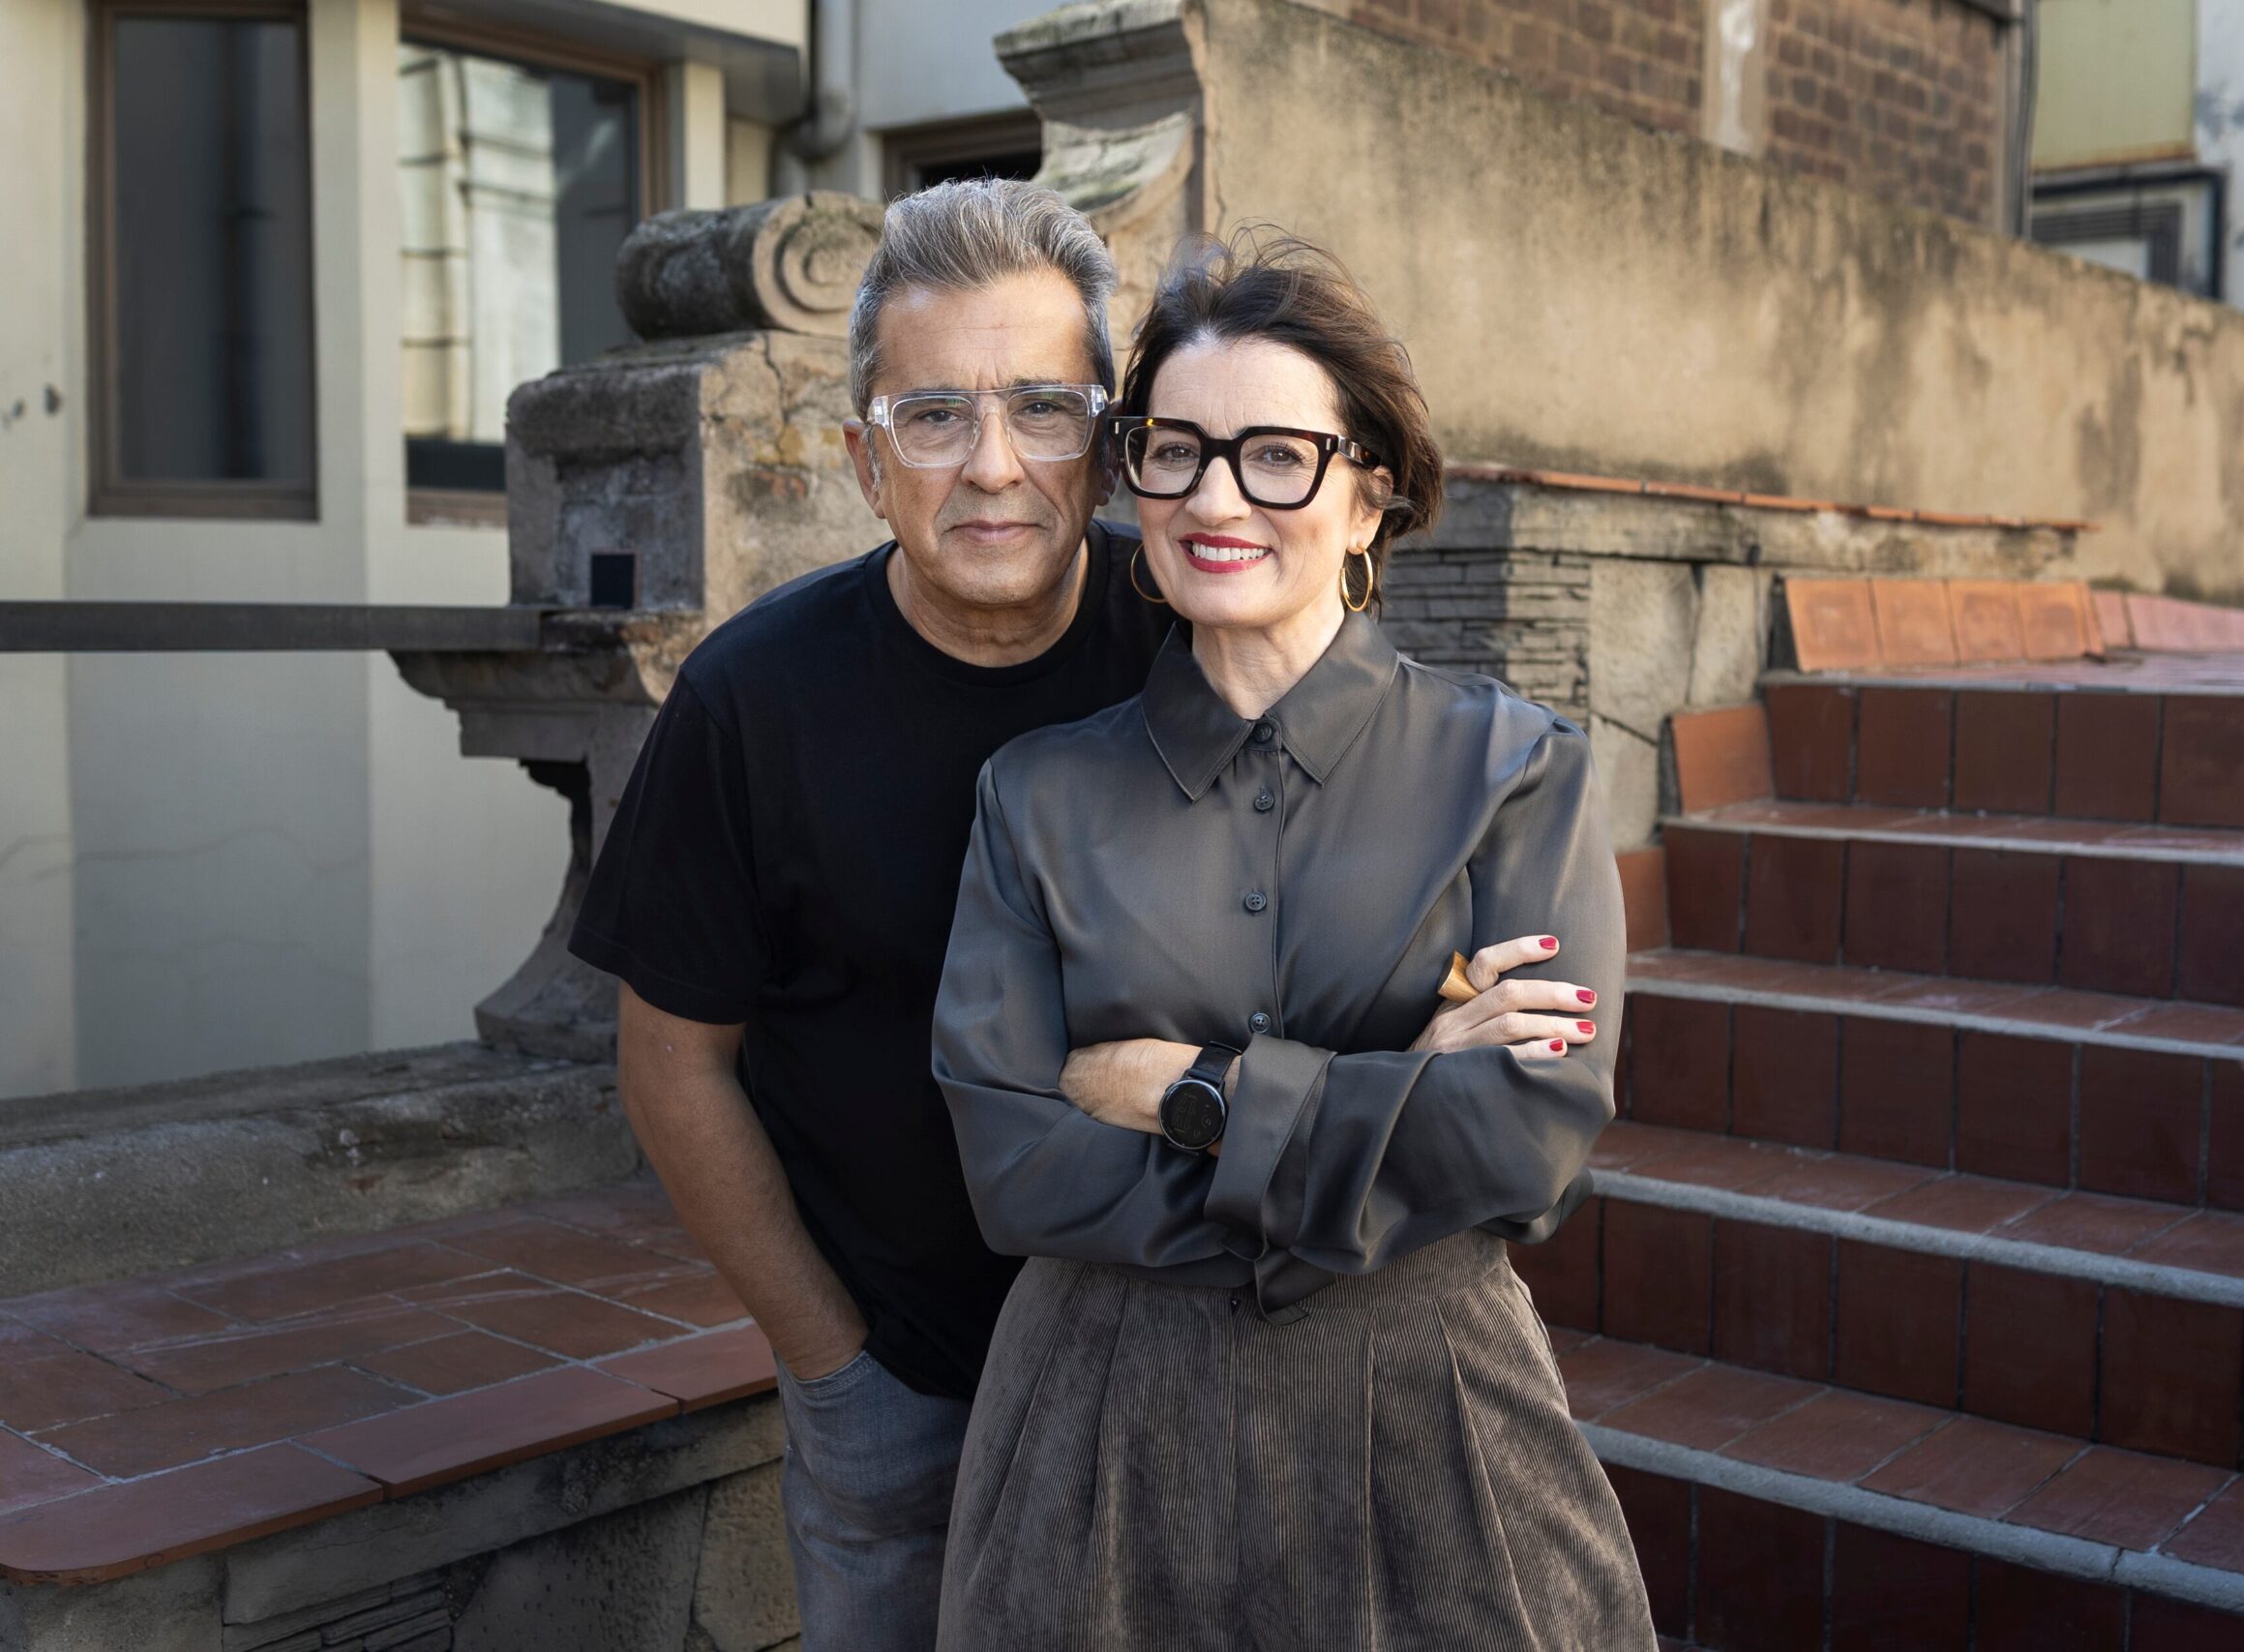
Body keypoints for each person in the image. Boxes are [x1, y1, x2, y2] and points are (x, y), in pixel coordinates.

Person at [570, 181, 1605, 1651]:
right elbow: (679, 1063)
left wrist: (1200, 1092)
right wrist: (832, 1360)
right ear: (866, 459)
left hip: (1305, 1378)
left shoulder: (1209, 614)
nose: (993, 466)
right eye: (934, 416)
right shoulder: (763, 704)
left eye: (1045, 409)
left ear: (1103, 447)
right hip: (926, 1365)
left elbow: (1520, 1139)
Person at [933, 233, 1654, 1649]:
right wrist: (1393, 1097)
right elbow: (1013, 1167)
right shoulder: (1035, 794)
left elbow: (1525, 1142)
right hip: (1102, 1431)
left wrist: (1193, 1091)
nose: (1214, 499)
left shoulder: (1517, 770)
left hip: (1433, 1422)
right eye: (1175, 451)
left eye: (1277, 456)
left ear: (1371, 495)